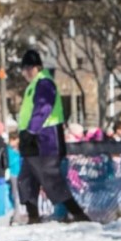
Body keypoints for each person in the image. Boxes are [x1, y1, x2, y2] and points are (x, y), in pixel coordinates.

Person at [17, 49, 89, 223]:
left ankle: (79, 215)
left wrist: (31, 130)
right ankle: (33, 218)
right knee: (26, 179)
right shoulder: (33, 85)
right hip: (31, 140)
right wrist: (25, 134)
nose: (25, 73)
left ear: (36, 67)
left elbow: (44, 108)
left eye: (28, 68)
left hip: (45, 139)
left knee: (51, 179)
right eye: (24, 69)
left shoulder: (44, 83)